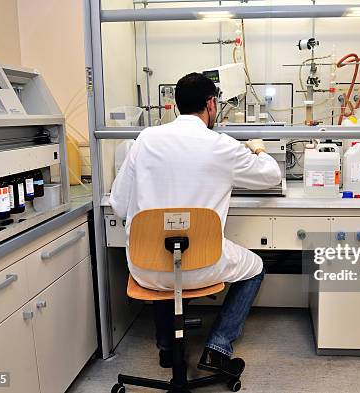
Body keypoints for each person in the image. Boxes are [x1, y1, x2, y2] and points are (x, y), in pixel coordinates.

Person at [109, 72, 282, 377]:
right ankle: (217, 347)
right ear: (211, 104)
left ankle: (167, 348)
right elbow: (271, 176)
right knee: (255, 267)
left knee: (164, 257)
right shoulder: (221, 145)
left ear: (176, 105)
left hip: (145, 266)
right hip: (203, 263)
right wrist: (258, 148)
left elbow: (119, 204)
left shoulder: (146, 139)